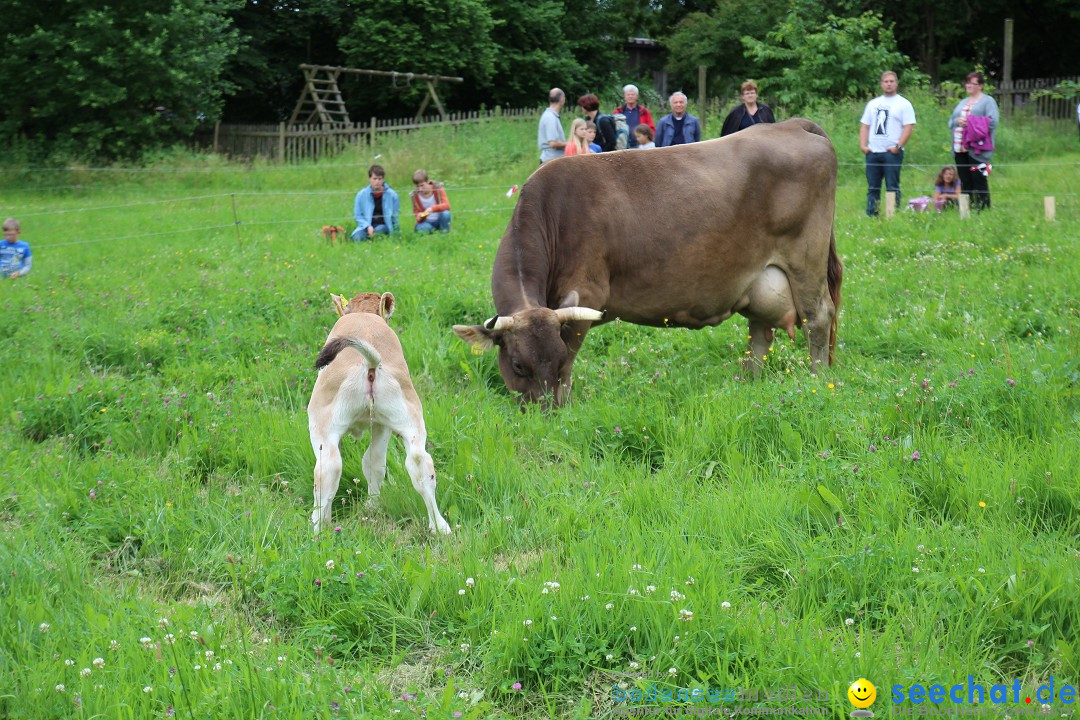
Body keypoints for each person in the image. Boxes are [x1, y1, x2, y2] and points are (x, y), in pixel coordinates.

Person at [858, 71, 917, 217]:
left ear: (896, 83)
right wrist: (863, 145)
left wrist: (898, 146)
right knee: (873, 186)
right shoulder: (873, 104)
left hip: (892, 153)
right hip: (873, 152)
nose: (889, 84)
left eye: (891, 81)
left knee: (892, 185)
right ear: (881, 84)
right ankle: (872, 214)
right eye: (886, 81)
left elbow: (909, 126)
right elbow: (865, 125)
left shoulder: (903, 104)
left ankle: (892, 214)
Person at [948, 71, 999, 211]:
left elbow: (993, 122)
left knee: (979, 178)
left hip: (978, 149)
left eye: (973, 83)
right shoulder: (962, 102)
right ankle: (966, 209)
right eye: (967, 82)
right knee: (965, 180)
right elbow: (950, 122)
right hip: (959, 147)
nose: (969, 85)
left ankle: (983, 209)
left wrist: (970, 122)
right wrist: (958, 121)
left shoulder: (988, 101)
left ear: (981, 85)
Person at [351, 164, 399, 240]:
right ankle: (369, 239)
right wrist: (367, 226)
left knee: (380, 230)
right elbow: (358, 216)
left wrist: (397, 234)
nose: (377, 181)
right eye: (374, 178)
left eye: (380, 179)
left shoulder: (392, 195)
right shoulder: (361, 195)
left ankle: (373, 239)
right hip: (366, 226)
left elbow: (395, 217)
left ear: (383, 179)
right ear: (369, 179)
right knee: (357, 238)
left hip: (383, 225)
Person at [538, 88, 567, 163]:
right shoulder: (550, 117)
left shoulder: (550, 115)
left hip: (551, 160)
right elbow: (553, 143)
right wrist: (570, 144)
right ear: (562, 99)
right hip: (550, 162)